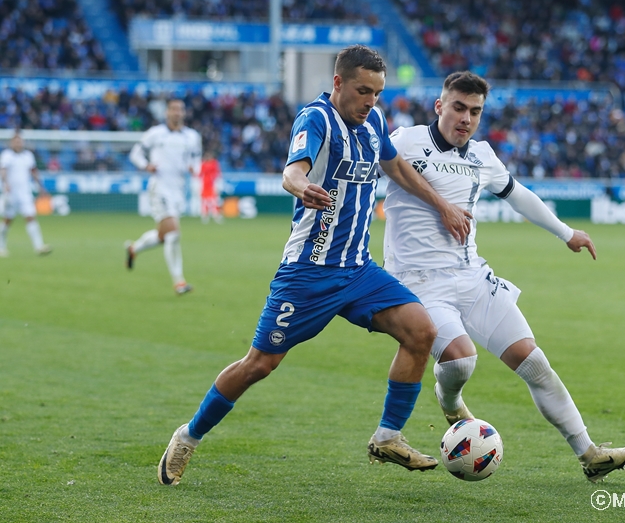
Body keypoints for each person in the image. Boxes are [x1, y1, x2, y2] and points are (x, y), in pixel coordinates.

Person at [156, 45, 473, 486]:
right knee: (259, 364)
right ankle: (188, 437)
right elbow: (293, 170)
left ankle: (388, 436)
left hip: (359, 271)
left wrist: (441, 205)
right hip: (308, 273)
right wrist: (302, 186)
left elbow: (396, 167)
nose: (370, 101)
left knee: (421, 331)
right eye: (363, 91)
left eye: (378, 93)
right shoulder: (316, 118)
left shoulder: (374, 122)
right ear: (339, 83)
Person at [383, 71, 625, 483]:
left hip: (472, 277)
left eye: (475, 112)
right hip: (419, 282)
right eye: (458, 107)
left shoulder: (482, 155)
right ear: (439, 106)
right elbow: (361, 170)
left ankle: (590, 454)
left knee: (534, 363)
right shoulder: (404, 141)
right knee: (462, 359)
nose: (466, 118)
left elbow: (518, 194)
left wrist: (566, 233)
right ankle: (449, 400)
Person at [126, 98, 201, 295]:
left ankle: (134, 248)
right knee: (173, 234)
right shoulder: (155, 134)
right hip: (159, 188)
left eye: (180, 109)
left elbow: (196, 159)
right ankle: (179, 282)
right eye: (173, 109)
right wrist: (146, 166)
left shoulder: (192, 137)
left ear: (184, 113)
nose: (177, 112)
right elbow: (135, 154)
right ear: (167, 112)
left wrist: (195, 168)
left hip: (178, 190)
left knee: (162, 236)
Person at [0, 133, 52, 257]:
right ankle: (1, 246)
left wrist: (41, 187)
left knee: (30, 216)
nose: (18, 143)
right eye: (16, 141)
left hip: (25, 193)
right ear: (12, 143)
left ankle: (39, 246)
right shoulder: (7, 155)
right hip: (11, 193)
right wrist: (6, 183)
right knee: (8, 220)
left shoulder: (28, 156)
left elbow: (33, 171)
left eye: (20, 141)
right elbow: (3, 171)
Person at [199, 150, 222, 224]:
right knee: (204, 201)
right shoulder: (203, 164)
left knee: (214, 201)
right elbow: (200, 174)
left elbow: (217, 173)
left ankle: (216, 215)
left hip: (212, 185)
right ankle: (205, 216)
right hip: (204, 185)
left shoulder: (214, 163)